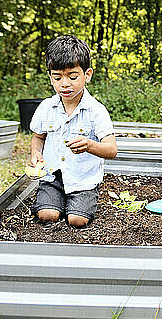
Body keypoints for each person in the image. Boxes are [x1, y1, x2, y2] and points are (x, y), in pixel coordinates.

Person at [29, 35, 117, 228]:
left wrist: (90, 145)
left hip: (83, 181)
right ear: (50, 76)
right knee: (47, 215)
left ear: (88, 75)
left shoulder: (96, 111)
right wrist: (36, 153)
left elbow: (111, 150)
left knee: (77, 220)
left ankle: (82, 202)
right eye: (57, 77)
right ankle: (53, 201)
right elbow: (38, 136)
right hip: (52, 177)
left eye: (73, 77)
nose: (65, 84)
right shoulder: (46, 107)